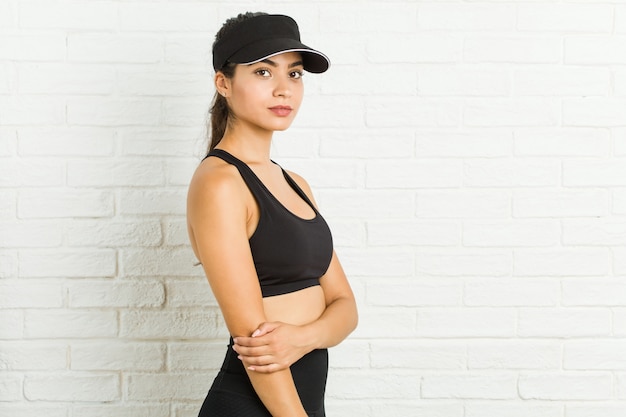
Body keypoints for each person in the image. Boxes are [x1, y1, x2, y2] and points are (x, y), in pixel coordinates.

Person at [186, 12, 358, 417]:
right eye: (263, 72)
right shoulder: (220, 184)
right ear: (223, 82)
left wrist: (302, 337)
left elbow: (345, 306)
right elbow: (251, 337)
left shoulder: (295, 183)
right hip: (260, 406)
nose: (284, 89)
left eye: (294, 74)